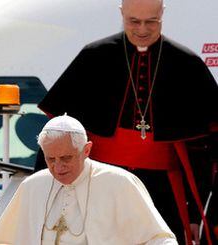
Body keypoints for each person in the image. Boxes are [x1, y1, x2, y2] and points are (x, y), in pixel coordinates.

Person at [36, 0, 218, 244]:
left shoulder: (186, 63)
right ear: (122, 14)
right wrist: (43, 195)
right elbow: (58, 132)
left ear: (162, 14)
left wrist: (195, 214)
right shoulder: (94, 57)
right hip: (100, 184)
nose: (142, 29)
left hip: (163, 191)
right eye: (134, 21)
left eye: (151, 21)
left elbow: (203, 151)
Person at [0, 115, 177, 244]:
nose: (58, 167)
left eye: (66, 158)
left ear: (86, 150)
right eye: (50, 159)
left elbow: (159, 239)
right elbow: (2, 241)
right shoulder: (32, 186)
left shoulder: (120, 183)